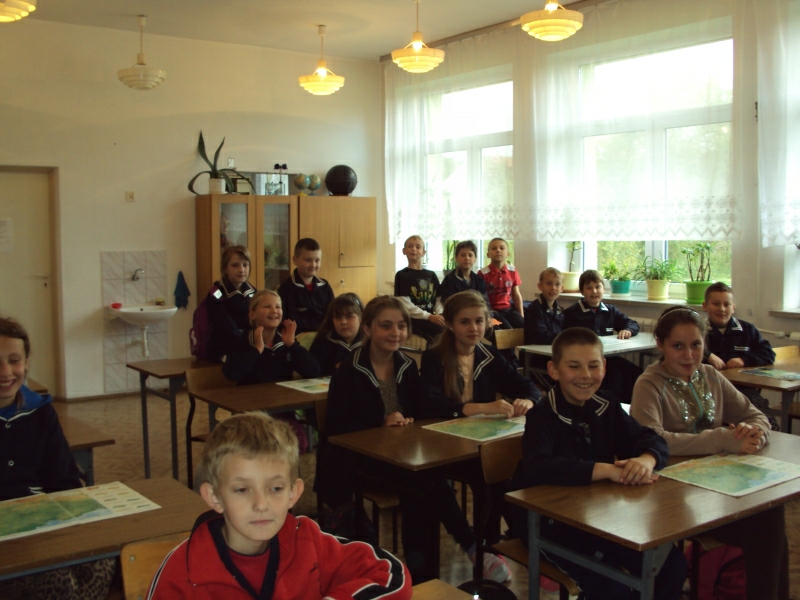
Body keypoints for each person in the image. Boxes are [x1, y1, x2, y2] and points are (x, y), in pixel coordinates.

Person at [315, 296, 510, 583]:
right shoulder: (349, 369)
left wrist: (409, 420)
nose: (395, 333)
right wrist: (381, 423)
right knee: (424, 482)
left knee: (423, 480)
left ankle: (424, 571)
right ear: (367, 329)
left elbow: (421, 410)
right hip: (355, 461)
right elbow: (335, 427)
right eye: (386, 326)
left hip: (399, 455)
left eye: (401, 326)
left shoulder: (406, 365)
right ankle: (465, 550)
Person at [146, 412, 412, 599]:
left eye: (275, 489)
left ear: (293, 493)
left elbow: (392, 574)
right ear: (214, 497)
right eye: (242, 490)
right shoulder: (183, 570)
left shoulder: (308, 541)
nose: (261, 504)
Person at [510, 328, 687, 600]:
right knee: (612, 589)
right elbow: (538, 467)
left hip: (599, 518)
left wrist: (646, 459)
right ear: (554, 370)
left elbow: (650, 439)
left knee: (671, 566)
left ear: (604, 367)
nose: (585, 375)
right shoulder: (542, 415)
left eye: (593, 366)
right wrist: (605, 470)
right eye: (574, 366)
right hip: (549, 525)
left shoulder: (606, 405)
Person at [631, 305, 788, 600]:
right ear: (660, 345)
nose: (689, 355)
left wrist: (754, 434)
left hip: (715, 487)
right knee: (766, 530)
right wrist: (722, 439)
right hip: (669, 496)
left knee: (771, 513)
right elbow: (651, 439)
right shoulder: (649, 384)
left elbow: (756, 416)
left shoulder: (710, 375)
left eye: (696, 345)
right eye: (678, 346)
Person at [0, 317, 115, 600]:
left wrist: (71, 528)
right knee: (57, 580)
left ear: (27, 362)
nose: (5, 372)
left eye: (14, 361)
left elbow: (64, 480)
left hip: (41, 523)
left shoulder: (41, 412)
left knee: (103, 561)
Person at [420, 290, 539, 419]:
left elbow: (526, 387)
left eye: (479, 321)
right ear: (450, 324)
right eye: (464, 322)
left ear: (487, 322)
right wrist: (483, 408)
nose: (473, 328)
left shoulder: (490, 355)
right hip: (441, 427)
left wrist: (528, 401)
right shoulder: (434, 357)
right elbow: (431, 404)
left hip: (480, 428)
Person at [562, 269, 642, 402]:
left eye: (598, 287)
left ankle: (629, 409)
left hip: (609, 357)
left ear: (604, 289)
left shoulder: (610, 310)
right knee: (615, 376)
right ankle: (612, 408)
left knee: (636, 373)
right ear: (582, 291)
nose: (594, 291)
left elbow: (632, 323)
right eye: (589, 288)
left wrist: (628, 330)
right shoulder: (571, 313)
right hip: (586, 361)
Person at [222, 290, 320, 386]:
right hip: (251, 396)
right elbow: (232, 374)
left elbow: (313, 372)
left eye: (278, 307)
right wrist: (257, 349)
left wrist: (292, 345)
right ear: (252, 314)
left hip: (282, 395)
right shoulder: (244, 341)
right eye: (267, 306)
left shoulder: (286, 341)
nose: (274, 311)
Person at [206, 245, 256, 363]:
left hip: (248, 344)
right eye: (235, 265)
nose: (241, 270)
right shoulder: (216, 294)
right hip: (223, 348)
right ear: (225, 268)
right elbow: (226, 328)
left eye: (245, 265)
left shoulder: (253, 292)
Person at [393, 234, 444, 343]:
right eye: (410, 246)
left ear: (423, 252)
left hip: (431, 316)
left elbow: (438, 299)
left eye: (418, 247)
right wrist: (428, 316)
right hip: (412, 319)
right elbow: (404, 304)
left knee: (449, 326)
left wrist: (439, 314)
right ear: (404, 251)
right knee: (438, 331)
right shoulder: (401, 275)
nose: (414, 249)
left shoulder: (431, 275)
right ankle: (432, 354)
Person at [278, 238, 335, 334]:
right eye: (308, 260)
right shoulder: (286, 288)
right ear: (295, 260)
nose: (313, 265)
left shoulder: (325, 286)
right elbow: (290, 320)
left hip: (324, 335)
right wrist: (320, 325)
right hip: (298, 337)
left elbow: (333, 312)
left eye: (317, 260)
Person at [523, 267, 565, 389]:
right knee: (564, 385)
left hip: (555, 358)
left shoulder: (560, 310)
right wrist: (563, 339)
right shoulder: (534, 309)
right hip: (537, 362)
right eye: (549, 283)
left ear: (562, 288)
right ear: (540, 286)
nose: (553, 288)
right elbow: (540, 336)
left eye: (557, 284)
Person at [309, 293, 365, 376]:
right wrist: (335, 369)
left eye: (349, 317)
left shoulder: (370, 341)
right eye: (337, 317)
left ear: (360, 318)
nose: (343, 322)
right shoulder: (323, 341)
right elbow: (314, 372)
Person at [477, 238, 524, 330]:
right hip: (492, 311)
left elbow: (516, 295)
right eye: (494, 248)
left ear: (508, 254)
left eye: (502, 248)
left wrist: (521, 315)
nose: (498, 250)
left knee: (524, 326)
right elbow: (480, 298)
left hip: (508, 309)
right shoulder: (482, 273)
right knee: (507, 330)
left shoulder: (512, 271)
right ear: (488, 254)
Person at [439, 241, 490, 306]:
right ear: (456, 258)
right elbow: (447, 303)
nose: (467, 258)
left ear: (475, 259)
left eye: (470, 255)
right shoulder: (449, 280)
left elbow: (485, 304)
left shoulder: (479, 281)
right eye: (463, 255)